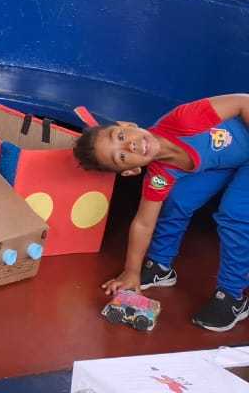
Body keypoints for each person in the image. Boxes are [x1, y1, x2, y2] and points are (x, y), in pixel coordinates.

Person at [76, 94, 249, 331]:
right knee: (178, 199)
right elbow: (143, 223)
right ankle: (160, 266)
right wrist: (131, 271)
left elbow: (244, 101)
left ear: (128, 125)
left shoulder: (183, 120)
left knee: (235, 212)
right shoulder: (159, 176)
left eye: (121, 136)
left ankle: (232, 296)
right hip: (227, 160)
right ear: (130, 171)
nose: (130, 146)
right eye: (122, 156)